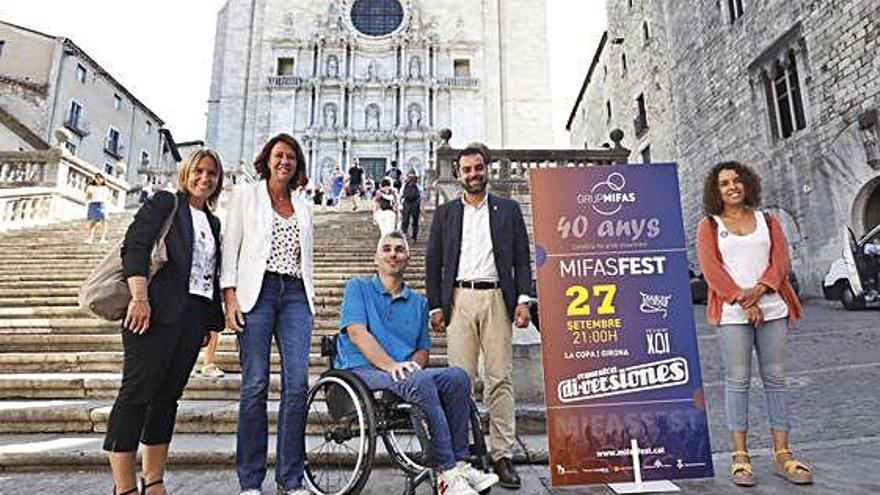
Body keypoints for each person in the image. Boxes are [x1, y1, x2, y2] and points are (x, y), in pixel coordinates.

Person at [335, 231, 499, 495]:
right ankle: (446, 473)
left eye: (399, 249)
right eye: (386, 248)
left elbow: (422, 351)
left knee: (458, 376)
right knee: (418, 379)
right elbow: (356, 333)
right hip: (361, 370)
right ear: (377, 256)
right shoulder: (358, 287)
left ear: (408, 259)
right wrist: (392, 366)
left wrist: (410, 366)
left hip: (401, 374)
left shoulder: (419, 303)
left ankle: (458, 462)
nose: (392, 253)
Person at [104, 149, 225, 495]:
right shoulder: (165, 204)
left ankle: (154, 481)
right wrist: (139, 297)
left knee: (167, 398)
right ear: (186, 172)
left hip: (191, 318)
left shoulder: (213, 222)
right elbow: (136, 246)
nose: (205, 178)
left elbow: (207, 274)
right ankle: (124, 486)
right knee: (136, 394)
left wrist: (207, 322)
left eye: (212, 174)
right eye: (199, 171)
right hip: (151, 312)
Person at [696, 161, 813, 487]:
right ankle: (740, 457)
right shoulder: (709, 225)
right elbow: (711, 270)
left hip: (772, 308)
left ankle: (783, 454)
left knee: (775, 378)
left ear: (746, 184)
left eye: (736, 181)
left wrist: (759, 292)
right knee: (737, 380)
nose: (732, 187)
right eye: (723, 183)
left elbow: (780, 262)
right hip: (733, 314)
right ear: (715, 190)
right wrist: (742, 300)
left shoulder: (767, 220)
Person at [425, 143, 533, 489]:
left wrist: (523, 300)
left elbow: (521, 258)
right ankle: (462, 456)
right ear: (458, 174)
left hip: (497, 298)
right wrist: (436, 305)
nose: (473, 174)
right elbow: (433, 261)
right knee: (460, 382)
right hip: (459, 299)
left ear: (487, 169)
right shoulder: (445, 214)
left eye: (478, 168)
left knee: (500, 378)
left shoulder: (508, 210)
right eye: (467, 169)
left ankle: (502, 455)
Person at [221, 133, 315, 495]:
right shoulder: (247, 195)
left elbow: (306, 257)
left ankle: (290, 478)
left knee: (297, 384)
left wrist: (308, 297)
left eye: (291, 157)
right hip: (256, 294)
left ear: (298, 164)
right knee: (255, 384)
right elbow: (231, 249)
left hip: (294, 295)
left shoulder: (304, 203)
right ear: (267, 159)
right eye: (279, 155)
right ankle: (250, 481)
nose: (284, 162)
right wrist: (230, 298)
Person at [85, 173, 111, 244]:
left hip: (102, 204)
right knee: (92, 222)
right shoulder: (91, 187)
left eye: (100, 178)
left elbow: (108, 197)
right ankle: (90, 238)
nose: (98, 180)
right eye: (97, 178)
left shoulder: (105, 188)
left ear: (103, 179)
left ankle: (103, 238)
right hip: (93, 204)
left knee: (104, 221)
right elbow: (87, 196)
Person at [401, 169, 421, 242]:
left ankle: (414, 236)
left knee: (414, 221)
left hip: (415, 203)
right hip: (407, 203)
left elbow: (421, 196)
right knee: (405, 219)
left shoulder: (418, 187)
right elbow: (402, 195)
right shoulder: (404, 186)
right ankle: (404, 234)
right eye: (409, 177)